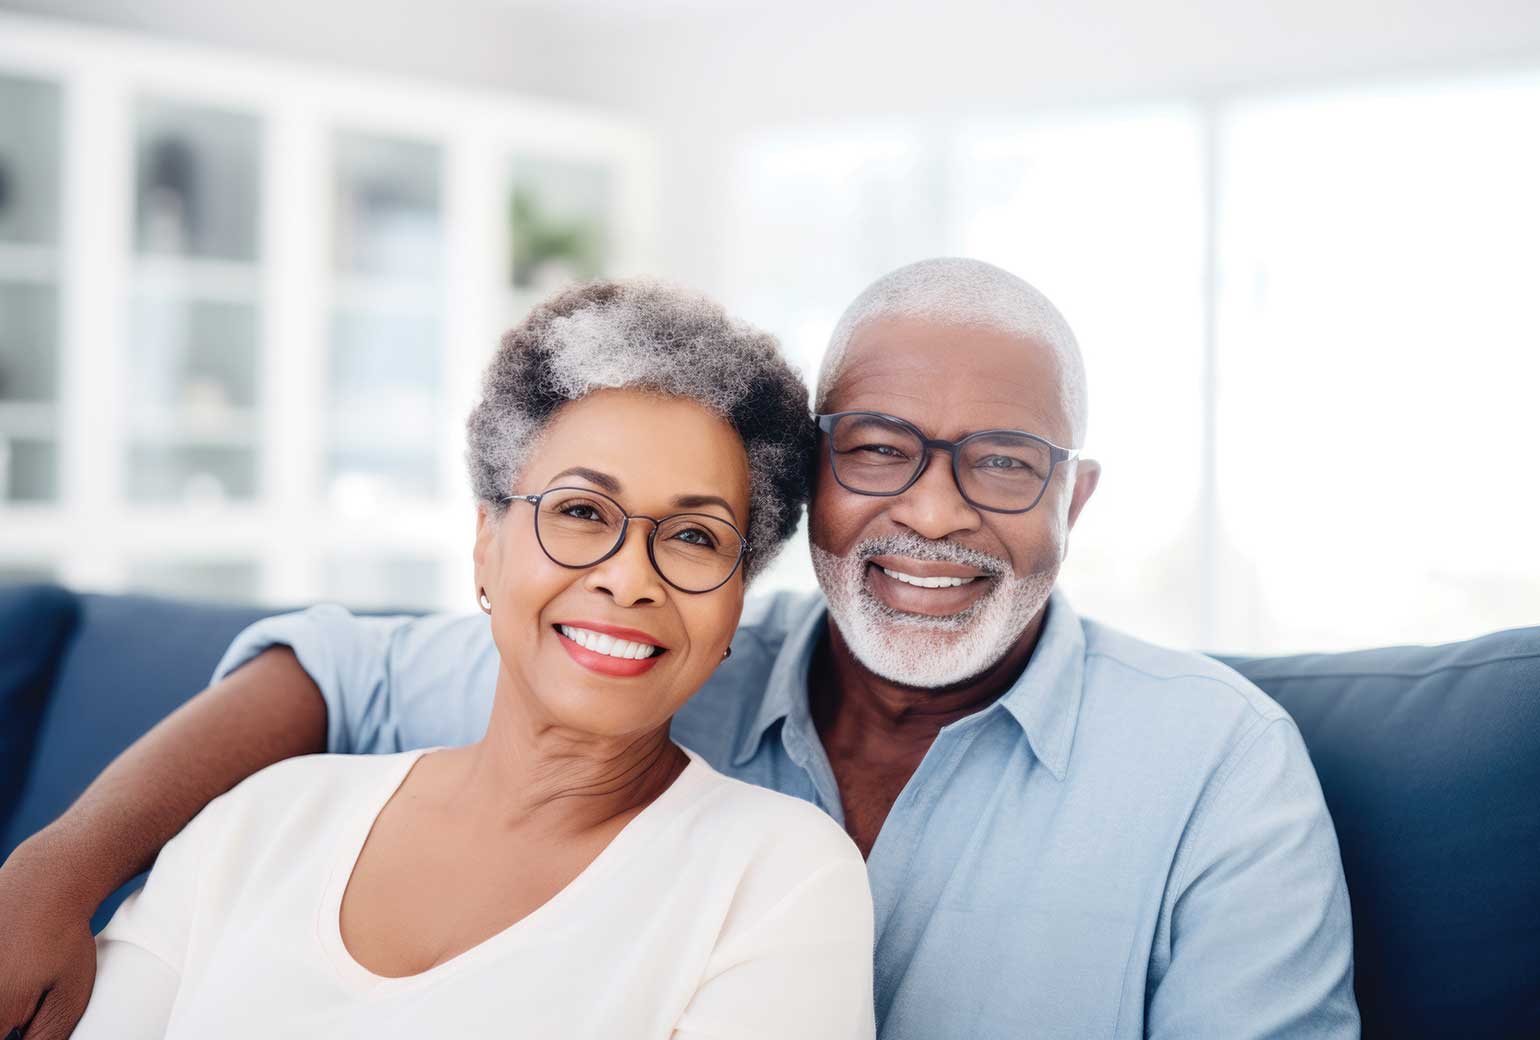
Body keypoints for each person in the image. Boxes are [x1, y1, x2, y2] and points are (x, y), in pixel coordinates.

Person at [0, 258, 1358, 1040]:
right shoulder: (655, 656)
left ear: (1076, 497)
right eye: (881, 451)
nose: (934, 512)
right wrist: (57, 867)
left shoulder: (1215, 771)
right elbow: (342, 668)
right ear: (812, 485)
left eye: (1004, 464)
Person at [60, 281, 877, 1039]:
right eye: (582, 511)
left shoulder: (778, 879)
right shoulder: (266, 817)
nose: (630, 579)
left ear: (737, 596)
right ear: (486, 545)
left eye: (696, 536)